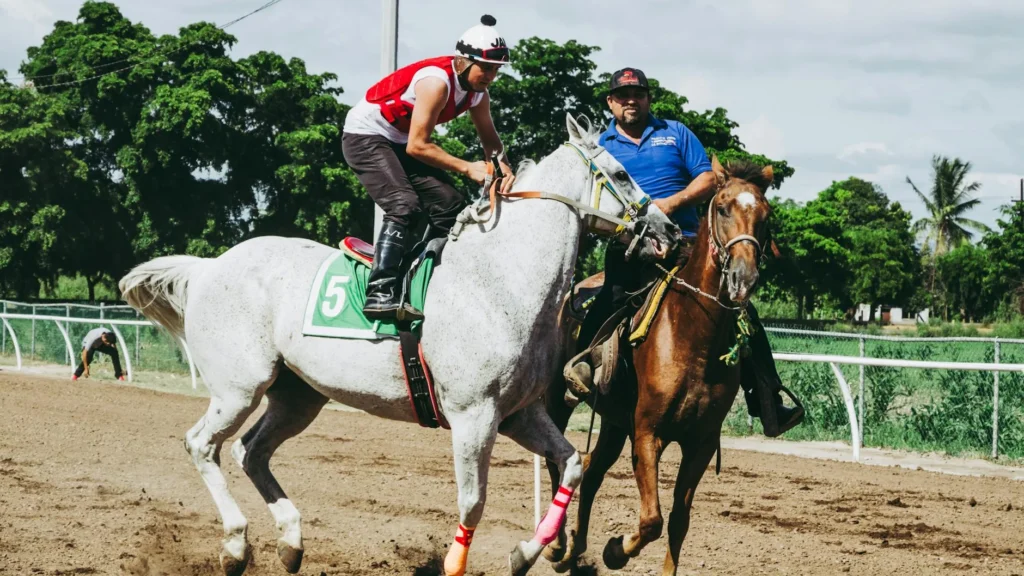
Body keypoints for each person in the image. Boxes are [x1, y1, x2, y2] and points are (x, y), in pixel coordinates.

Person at [572, 67, 803, 437]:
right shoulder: (602, 145)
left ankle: (768, 401)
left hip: (687, 247)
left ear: (648, 99)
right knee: (608, 300)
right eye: (623, 95)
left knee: (744, 313)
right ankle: (581, 369)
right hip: (630, 248)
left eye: (639, 94)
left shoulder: (675, 133)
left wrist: (671, 203)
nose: (631, 101)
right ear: (611, 102)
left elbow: (709, 177)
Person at [342, 14, 516, 322]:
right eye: (486, 68)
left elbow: (491, 142)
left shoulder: (479, 95)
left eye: (496, 70)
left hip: (399, 140)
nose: (491, 76)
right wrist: (468, 168)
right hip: (367, 137)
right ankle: (380, 291)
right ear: (463, 61)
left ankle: (419, 276)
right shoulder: (437, 82)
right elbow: (417, 146)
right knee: (404, 204)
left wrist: (504, 168)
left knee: (451, 205)